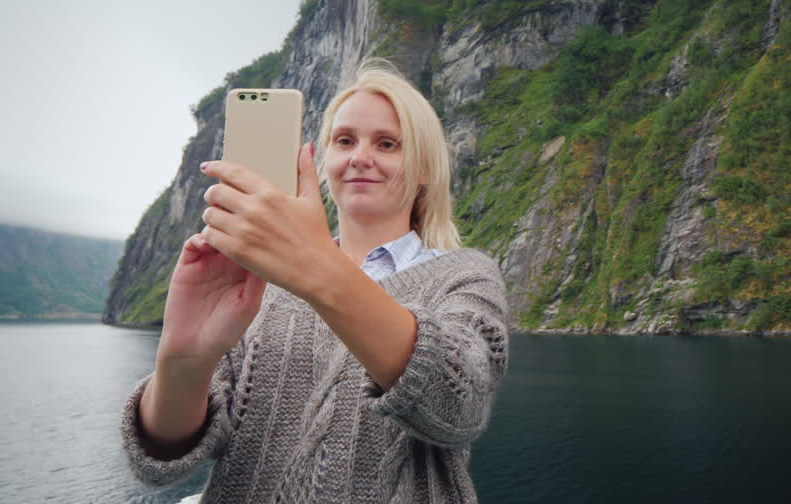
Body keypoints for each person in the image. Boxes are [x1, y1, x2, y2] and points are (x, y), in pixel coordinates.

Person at [119, 58, 509, 503]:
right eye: (344, 141)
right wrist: (184, 357)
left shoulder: (465, 275)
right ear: (322, 162)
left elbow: (461, 402)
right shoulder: (256, 286)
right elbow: (161, 458)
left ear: (424, 169)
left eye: (387, 144)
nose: (360, 157)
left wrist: (315, 267)